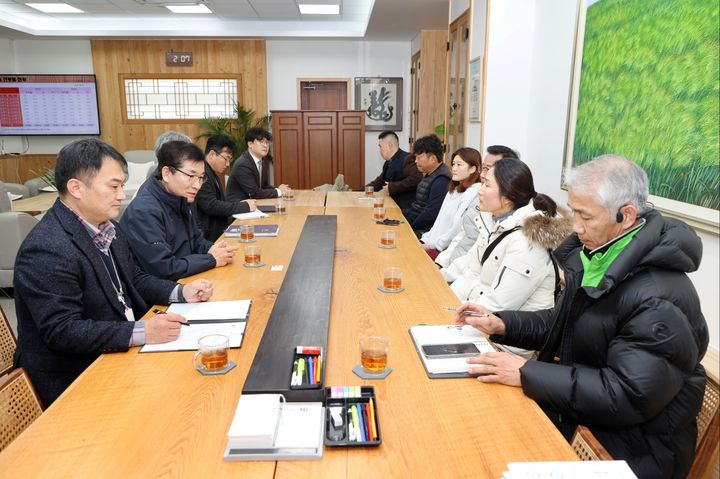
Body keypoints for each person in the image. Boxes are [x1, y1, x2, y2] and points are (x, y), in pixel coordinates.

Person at [455, 155, 708, 479]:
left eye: (585, 216)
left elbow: (625, 395)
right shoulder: (604, 255)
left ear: (626, 215)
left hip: (629, 451)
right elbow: (566, 324)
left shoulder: (657, 296)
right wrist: (503, 323)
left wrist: (528, 373)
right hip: (584, 418)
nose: (575, 228)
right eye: (574, 212)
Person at [12, 138, 214, 406]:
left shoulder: (108, 228)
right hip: (75, 379)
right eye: (114, 186)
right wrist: (141, 331)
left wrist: (181, 292)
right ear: (76, 188)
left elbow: (135, 279)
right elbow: (63, 330)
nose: (122, 195)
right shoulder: (47, 248)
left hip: (118, 351)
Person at [442, 158, 571, 357]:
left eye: (487, 185)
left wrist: (463, 300)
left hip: (507, 347)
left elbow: (500, 307)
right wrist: (447, 302)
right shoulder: (496, 223)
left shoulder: (526, 242)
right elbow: (471, 272)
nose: (479, 191)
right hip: (480, 325)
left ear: (507, 197)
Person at [121, 141, 236, 281]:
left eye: (201, 178)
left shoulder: (181, 197)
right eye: (191, 176)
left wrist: (212, 248)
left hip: (186, 279)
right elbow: (164, 268)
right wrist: (211, 259)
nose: (197, 185)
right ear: (167, 173)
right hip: (160, 294)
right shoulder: (144, 211)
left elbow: (196, 240)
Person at [436, 145, 520, 268]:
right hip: (453, 267)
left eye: (489, 169)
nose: (482, 175)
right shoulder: (482, 200)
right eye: (483, 168)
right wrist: (440, 264)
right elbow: (461, 236)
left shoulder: (515, 225)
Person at [420, 147, 482, 259]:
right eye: (453, 164)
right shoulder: (454, 189)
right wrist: (425, 240)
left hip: (444, 250)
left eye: (459, 165)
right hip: (433, 244)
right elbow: (439, 221)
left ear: (472, 169)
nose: (453, 168)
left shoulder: (473, 192)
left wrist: (431, 245)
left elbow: (456, 229)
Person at [196, 135, 257, 241]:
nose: (228, 164)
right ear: (212, 154)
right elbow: (210, 205)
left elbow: (219, 201)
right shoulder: (202, 173)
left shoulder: (211, 172)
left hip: (218, 230)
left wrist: (241, 203)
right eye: (226, 158)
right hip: (208, 237)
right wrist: (244, 207)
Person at [403, 134, 452, 236]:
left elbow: (431, 214)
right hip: (417, 223)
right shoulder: (431, 173)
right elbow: (419, 205)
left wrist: (410, 227)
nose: (416, 161)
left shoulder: (441, 180)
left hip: (426, 232)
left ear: (432, 159)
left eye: (418, 157)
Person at [226, 127, 289, 200]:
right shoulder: (243, 164)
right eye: (261, 142)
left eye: (267, 142)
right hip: (238, 206)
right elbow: (254, 193)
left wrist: (279, 189)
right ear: (250, 144)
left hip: (254, 204)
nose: (265, 145)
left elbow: (264, 186)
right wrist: (279, 191)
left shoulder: (261, 161)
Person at [366, 130, 422, 210]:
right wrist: (359, 191)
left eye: (380, 146)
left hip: (407, 207)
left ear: (389, 145)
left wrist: (392, 187)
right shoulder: (388, 163)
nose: (379, 150)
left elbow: (416, 179)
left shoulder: (407, 158)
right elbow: (380, 182)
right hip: (393, 203)